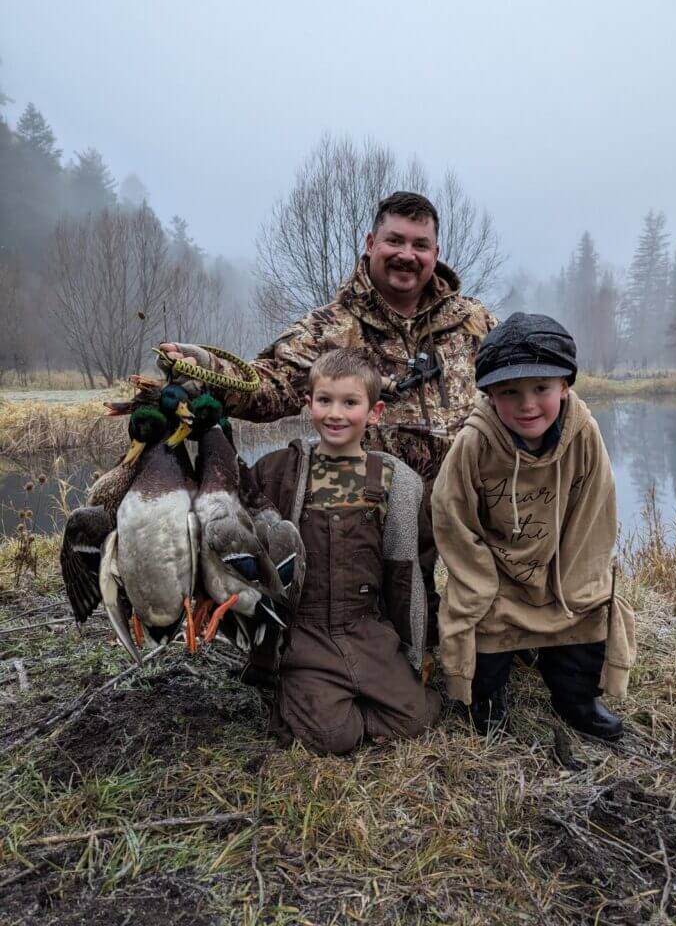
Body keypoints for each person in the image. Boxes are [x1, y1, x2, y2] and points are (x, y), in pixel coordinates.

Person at [159, 191, 494, 485]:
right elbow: (269, 384)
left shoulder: (472, 322)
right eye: (395, 240)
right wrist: (206, 367)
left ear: (436, 253)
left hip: (465, 515)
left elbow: (522, 377)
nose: (407, 254)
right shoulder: (328, 328)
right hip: (368, 516)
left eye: (420, 245)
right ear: (370, 243)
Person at [431, 313, 636, 739]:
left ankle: (575, 699)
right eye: (510, 392)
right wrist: (480, 583)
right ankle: (487, 701)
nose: (527, 404)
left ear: (564, 386)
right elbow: (453, 517)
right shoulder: (474, 443)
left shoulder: (584, 435)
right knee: (481, 636)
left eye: (541, 388)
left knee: (586, 618)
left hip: (561, 571)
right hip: (497, 576)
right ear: (489, 394)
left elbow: (595, 515)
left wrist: (575, 585)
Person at [250, 349, 441, 754]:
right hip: (307, 632)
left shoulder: (394, 481)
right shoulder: (278, 471)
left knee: (416, 718)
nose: (335, 413)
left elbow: (410, 571)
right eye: (325, 400)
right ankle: (300, 690)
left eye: (350, 402)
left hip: (367, 628)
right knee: (331, 738)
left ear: (374, 412)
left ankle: (346, 698)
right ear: (309, 405)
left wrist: (417, 647)